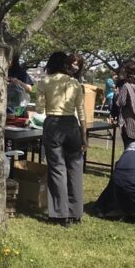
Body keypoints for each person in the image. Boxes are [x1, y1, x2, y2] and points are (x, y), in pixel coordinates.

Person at [38, 51, 87, 226]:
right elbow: (81, 112)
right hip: (72, 125)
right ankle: (76, 212)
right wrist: (84, 136)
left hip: (53, 123)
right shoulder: (75, 83)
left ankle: (60, 213)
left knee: (57, 168)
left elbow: (39, 108)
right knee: (75, 167)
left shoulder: (45, 81)